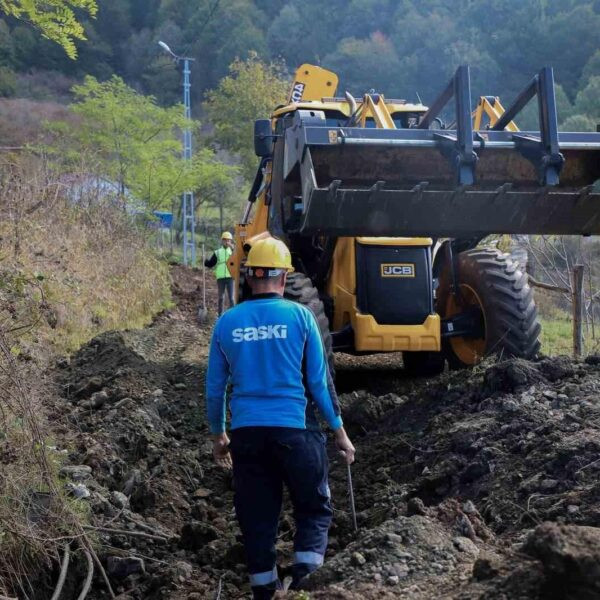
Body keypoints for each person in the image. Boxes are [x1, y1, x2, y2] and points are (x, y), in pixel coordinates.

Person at [205, 237, 355, 600]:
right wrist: (339, 431)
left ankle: (265, 591)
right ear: (284, 277)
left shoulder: (227, 323)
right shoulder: (301, 317)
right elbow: (319, 383)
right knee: (313, 508)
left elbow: (214, 388)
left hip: (247, 436)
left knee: (257, 519)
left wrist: (218, 435)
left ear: (250, 276)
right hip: (296, 431)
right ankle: (305, 583)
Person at [204, 231, 235, 315]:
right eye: (225, 240)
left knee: (231, 298)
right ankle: (220, 315)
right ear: (222, 241)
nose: (227, 242)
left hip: (230, 277)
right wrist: (205, 261)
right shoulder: (217, 252)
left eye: (228, 240)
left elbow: (238, 258)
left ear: (231, 241)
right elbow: (211, 263)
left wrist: (233, 248)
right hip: (220, 278)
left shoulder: (233, 251)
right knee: (221, 298)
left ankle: (233, 315)